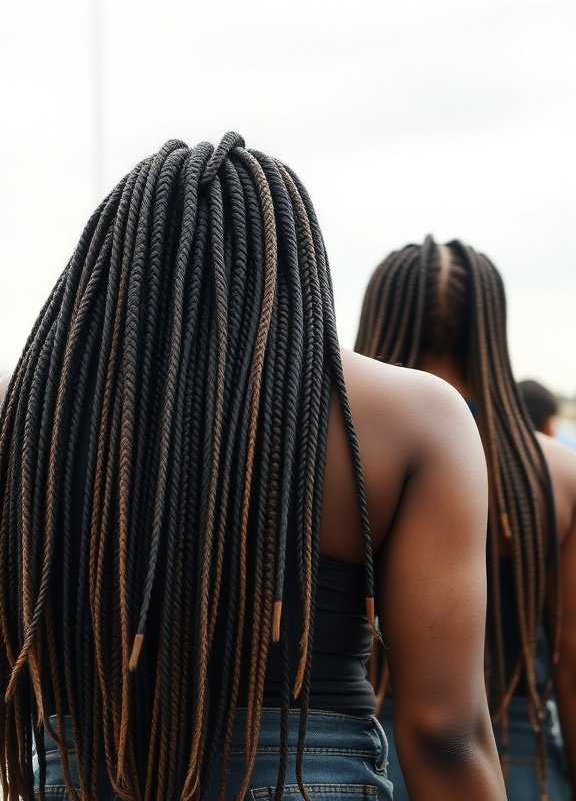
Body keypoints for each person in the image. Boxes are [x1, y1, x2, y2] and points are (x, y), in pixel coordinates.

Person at [0, 138, 505, 801]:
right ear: (292, 263)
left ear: (118, 265)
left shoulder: (32, 417)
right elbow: (443, 728)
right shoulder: (415, 420)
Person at [355, 236, 576, 801]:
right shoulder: (558, 473)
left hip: (364, 753)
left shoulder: (345, 463)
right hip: (521, 764)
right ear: (491, 331)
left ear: (379, 319)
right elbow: (572, 657)